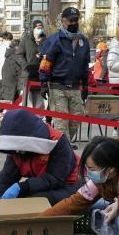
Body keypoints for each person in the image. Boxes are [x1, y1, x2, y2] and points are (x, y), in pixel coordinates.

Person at [0, 109, 80, 204]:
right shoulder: (16, 150)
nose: (17, 152)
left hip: (71, 185)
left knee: (33, 201)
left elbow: (55, 178)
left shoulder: (57, 141)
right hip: (46, 185)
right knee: (11, 199)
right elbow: (7, 177)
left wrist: (23, 187)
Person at [39, 7, 90, 138]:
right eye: (71, 20)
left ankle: (62, 144)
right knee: (61, 122)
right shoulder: (54, 40)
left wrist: (85, 85)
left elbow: (85, 65)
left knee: (77, 118)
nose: (74, 23)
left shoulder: (83, 41)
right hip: (57, 86)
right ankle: (65, 149)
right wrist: (44, 83)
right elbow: (46, 62)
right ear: (63, 21)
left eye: (76, 20)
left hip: (75, 87)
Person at [23, 19, 47, 108]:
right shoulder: (26, 39)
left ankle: (39, 118)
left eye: (41, 27)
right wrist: (25, 65)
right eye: (37, 27)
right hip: (28, 73)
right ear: (33, 28)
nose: (39, 29)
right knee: (28, 101)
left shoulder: (46, 40)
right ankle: (28, 118)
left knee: (39, 101)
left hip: (41, 74)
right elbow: (19, 54)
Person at [0, 40, 25, 104]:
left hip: (7, 80)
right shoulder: (16, 55)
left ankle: (1, 111)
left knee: (7, 98)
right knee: (11, 101)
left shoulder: (9, 55)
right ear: (17, 47)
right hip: (13, 81)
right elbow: (19, 69)